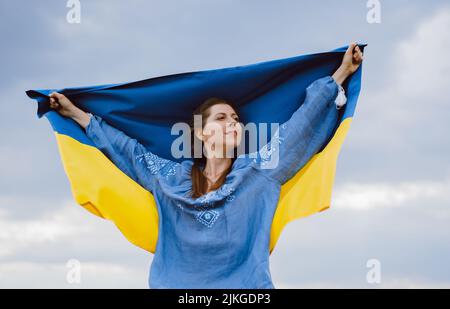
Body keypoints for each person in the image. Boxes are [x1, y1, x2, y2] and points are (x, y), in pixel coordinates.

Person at [47, 43, 363, 288]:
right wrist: (76, 114)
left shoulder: (259, 172)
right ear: (201, 132)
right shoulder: (169, 178)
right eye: (221, 118)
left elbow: (299, 127)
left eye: (236, 120)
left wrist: (341, 74)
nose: (232, 124)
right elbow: (126, 150)